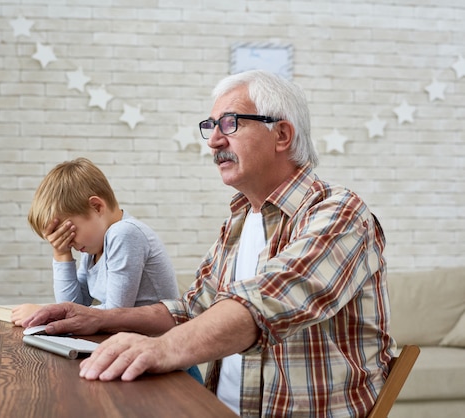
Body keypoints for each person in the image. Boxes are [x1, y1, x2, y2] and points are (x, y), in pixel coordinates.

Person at [22, 70, 395, 417]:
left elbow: (268, 302)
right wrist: (98, 318)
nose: (215, 140)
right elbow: (190, 308)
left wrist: (162, 348)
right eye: (211, 126)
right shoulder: (238, 219)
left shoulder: (340, 212)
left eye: (230, 124)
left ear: (282, 135)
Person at [11, 157, 180, 324]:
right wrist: (61, 253)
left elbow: (115, 315)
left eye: (68, 232)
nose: (68, 242)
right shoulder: (94, 247)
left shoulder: (124, 233)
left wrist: (49, 314)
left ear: (96, 207)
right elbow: (75, 306)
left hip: (153, 343)